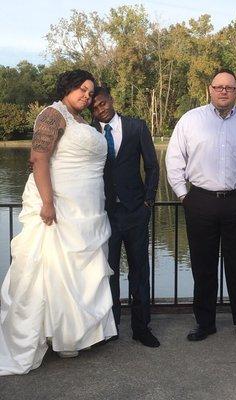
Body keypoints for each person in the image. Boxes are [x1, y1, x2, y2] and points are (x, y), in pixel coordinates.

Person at [0, 70, 117, 375]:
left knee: (81, 273)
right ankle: (56, 336)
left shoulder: (82, 122)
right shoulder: (53, 115)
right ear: (67, 88)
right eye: (82, 89)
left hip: (89, 208)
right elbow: (39, 158)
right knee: (56, 271)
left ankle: (77, 336)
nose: (87, 96)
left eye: (91, 93)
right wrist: (48, 203)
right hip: (61, 206)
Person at [166, 69, 236, 345]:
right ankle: (205, 323)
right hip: (200, 201)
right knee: (203, 267)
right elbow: (174, 160)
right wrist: (183, 195)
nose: (223, 91)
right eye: (218, 87)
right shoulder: (191, 121)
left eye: (229, 87)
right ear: (210, 89)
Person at [91, 86, 160, 347]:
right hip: (104, 214)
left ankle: (142, 328)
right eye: (95, 107)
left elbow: (152, 166)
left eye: (103, 102)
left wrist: (148, 201)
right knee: (108, 273)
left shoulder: (136, 127)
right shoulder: (89, 132)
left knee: (140, 271)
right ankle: (111, 327)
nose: (101, 109)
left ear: (111, 99)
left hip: (135, 212)